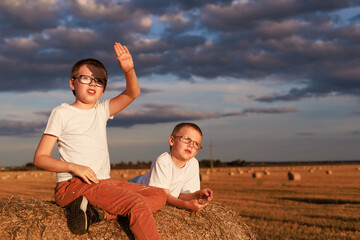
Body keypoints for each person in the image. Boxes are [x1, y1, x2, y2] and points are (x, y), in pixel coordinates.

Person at [33, 42, 166, 240]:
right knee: (136, 203)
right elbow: (40, 158)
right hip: (73, 186)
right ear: (72, 83)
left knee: (158, 195)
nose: (93, 84)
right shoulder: (62, 113)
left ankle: (98, 214)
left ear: (103, 89)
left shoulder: (101, 110)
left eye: (99, 81)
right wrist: (74, 167)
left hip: (102, 183)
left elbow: (132, 93)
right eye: (86, 78)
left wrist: (129, 70)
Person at [129, 122, 213, 212]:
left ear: (197, 151)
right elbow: (162, 195)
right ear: (172, 141)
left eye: (196, 143)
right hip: (137, 187)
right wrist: (185, 205)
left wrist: (197, 194)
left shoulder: (193, 164)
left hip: (161, 192)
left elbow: (182, 196)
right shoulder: (163, 161)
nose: (191, 145)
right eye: (186, 139)